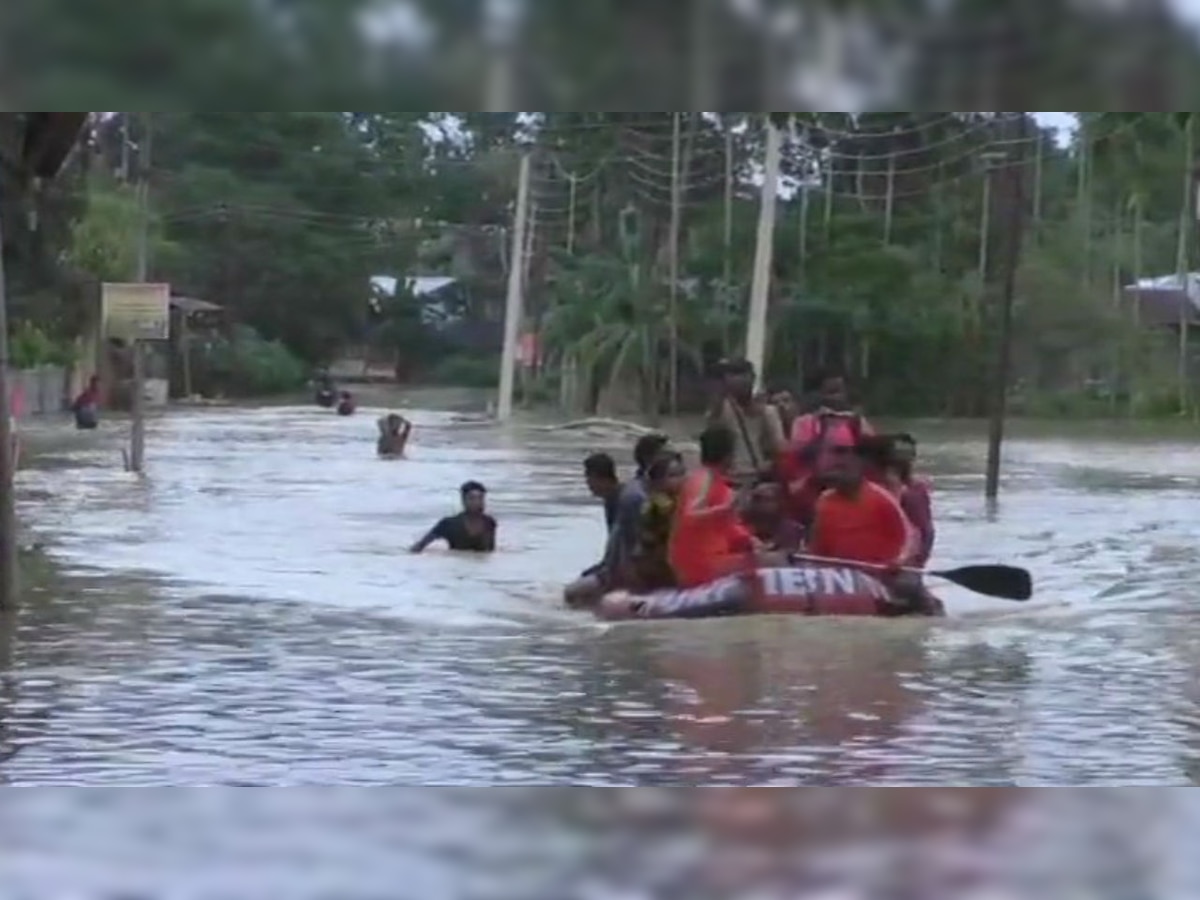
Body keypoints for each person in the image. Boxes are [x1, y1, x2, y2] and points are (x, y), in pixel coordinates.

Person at [563, 435, 669, 608]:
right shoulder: (619, 498)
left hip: (630, 571)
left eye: (589, 479)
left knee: (572, 593)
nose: (588, 484)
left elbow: (633, 544)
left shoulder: (631, 497)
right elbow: (618, 543)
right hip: (619, 567)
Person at [669, 424, 759, 589]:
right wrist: (726, 508)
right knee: (772, 562)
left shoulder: (717, 483)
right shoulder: (703, 480)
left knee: (768, 556)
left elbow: (726, 526)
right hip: (701, 566)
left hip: (713, 559)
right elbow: (689, 515)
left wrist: (751, 540)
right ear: (727, 455)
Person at [782, 370, 873, 527]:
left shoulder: (857, 422)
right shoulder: (804, 422)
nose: (835, 398)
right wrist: (824, 428)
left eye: (839, 392)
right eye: (830, 392)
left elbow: (871, 452)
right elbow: (799, 457)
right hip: (813, 487)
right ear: (819, 394)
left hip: (848, 486)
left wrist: (854, 425)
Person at [806, 443, 914, 569]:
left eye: (843, 469)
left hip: (877, 572)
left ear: (858, 471)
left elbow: (909, 537)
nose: (837, 475)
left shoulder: (882, 498)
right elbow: (817, 541)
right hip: (836, 573)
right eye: (834, 470)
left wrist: (899, 561)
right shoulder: (824, 500)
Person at [707, 358, 786, 487]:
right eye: (732, 376)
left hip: (758, 478)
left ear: (752, 379)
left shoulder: (768, 411)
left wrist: (770, 464)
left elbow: (780, 448)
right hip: (728, 479)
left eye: (742, 375)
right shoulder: (722, 409)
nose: (738, 382)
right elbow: (711, 432)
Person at [630, 451, 687, 592]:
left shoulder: (675, 499)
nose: (681, 479)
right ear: (658, 481)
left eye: (682, 474)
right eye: (673, 476)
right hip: (654, 564)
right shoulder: (660, 503)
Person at [410, 481, 497, 553]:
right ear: (463, 500)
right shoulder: (449, 523)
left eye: (480, 498)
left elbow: (490, 551)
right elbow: (419, 546)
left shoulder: (489, 522)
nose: (477, 502)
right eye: (472, 498)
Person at [890, 433, 935, 567]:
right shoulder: (879, 484)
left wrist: (920, 559)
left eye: (907, 454)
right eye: (898, 453)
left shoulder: (915, 490)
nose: (902, 458)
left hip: (910, 555)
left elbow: (926, 529)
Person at [742, 478, 803, 553]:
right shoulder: (742, 528)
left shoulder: (792, 530)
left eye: (766, 499)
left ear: (780, 501)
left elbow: (789, 557)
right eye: (757, 498)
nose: (761, 503)